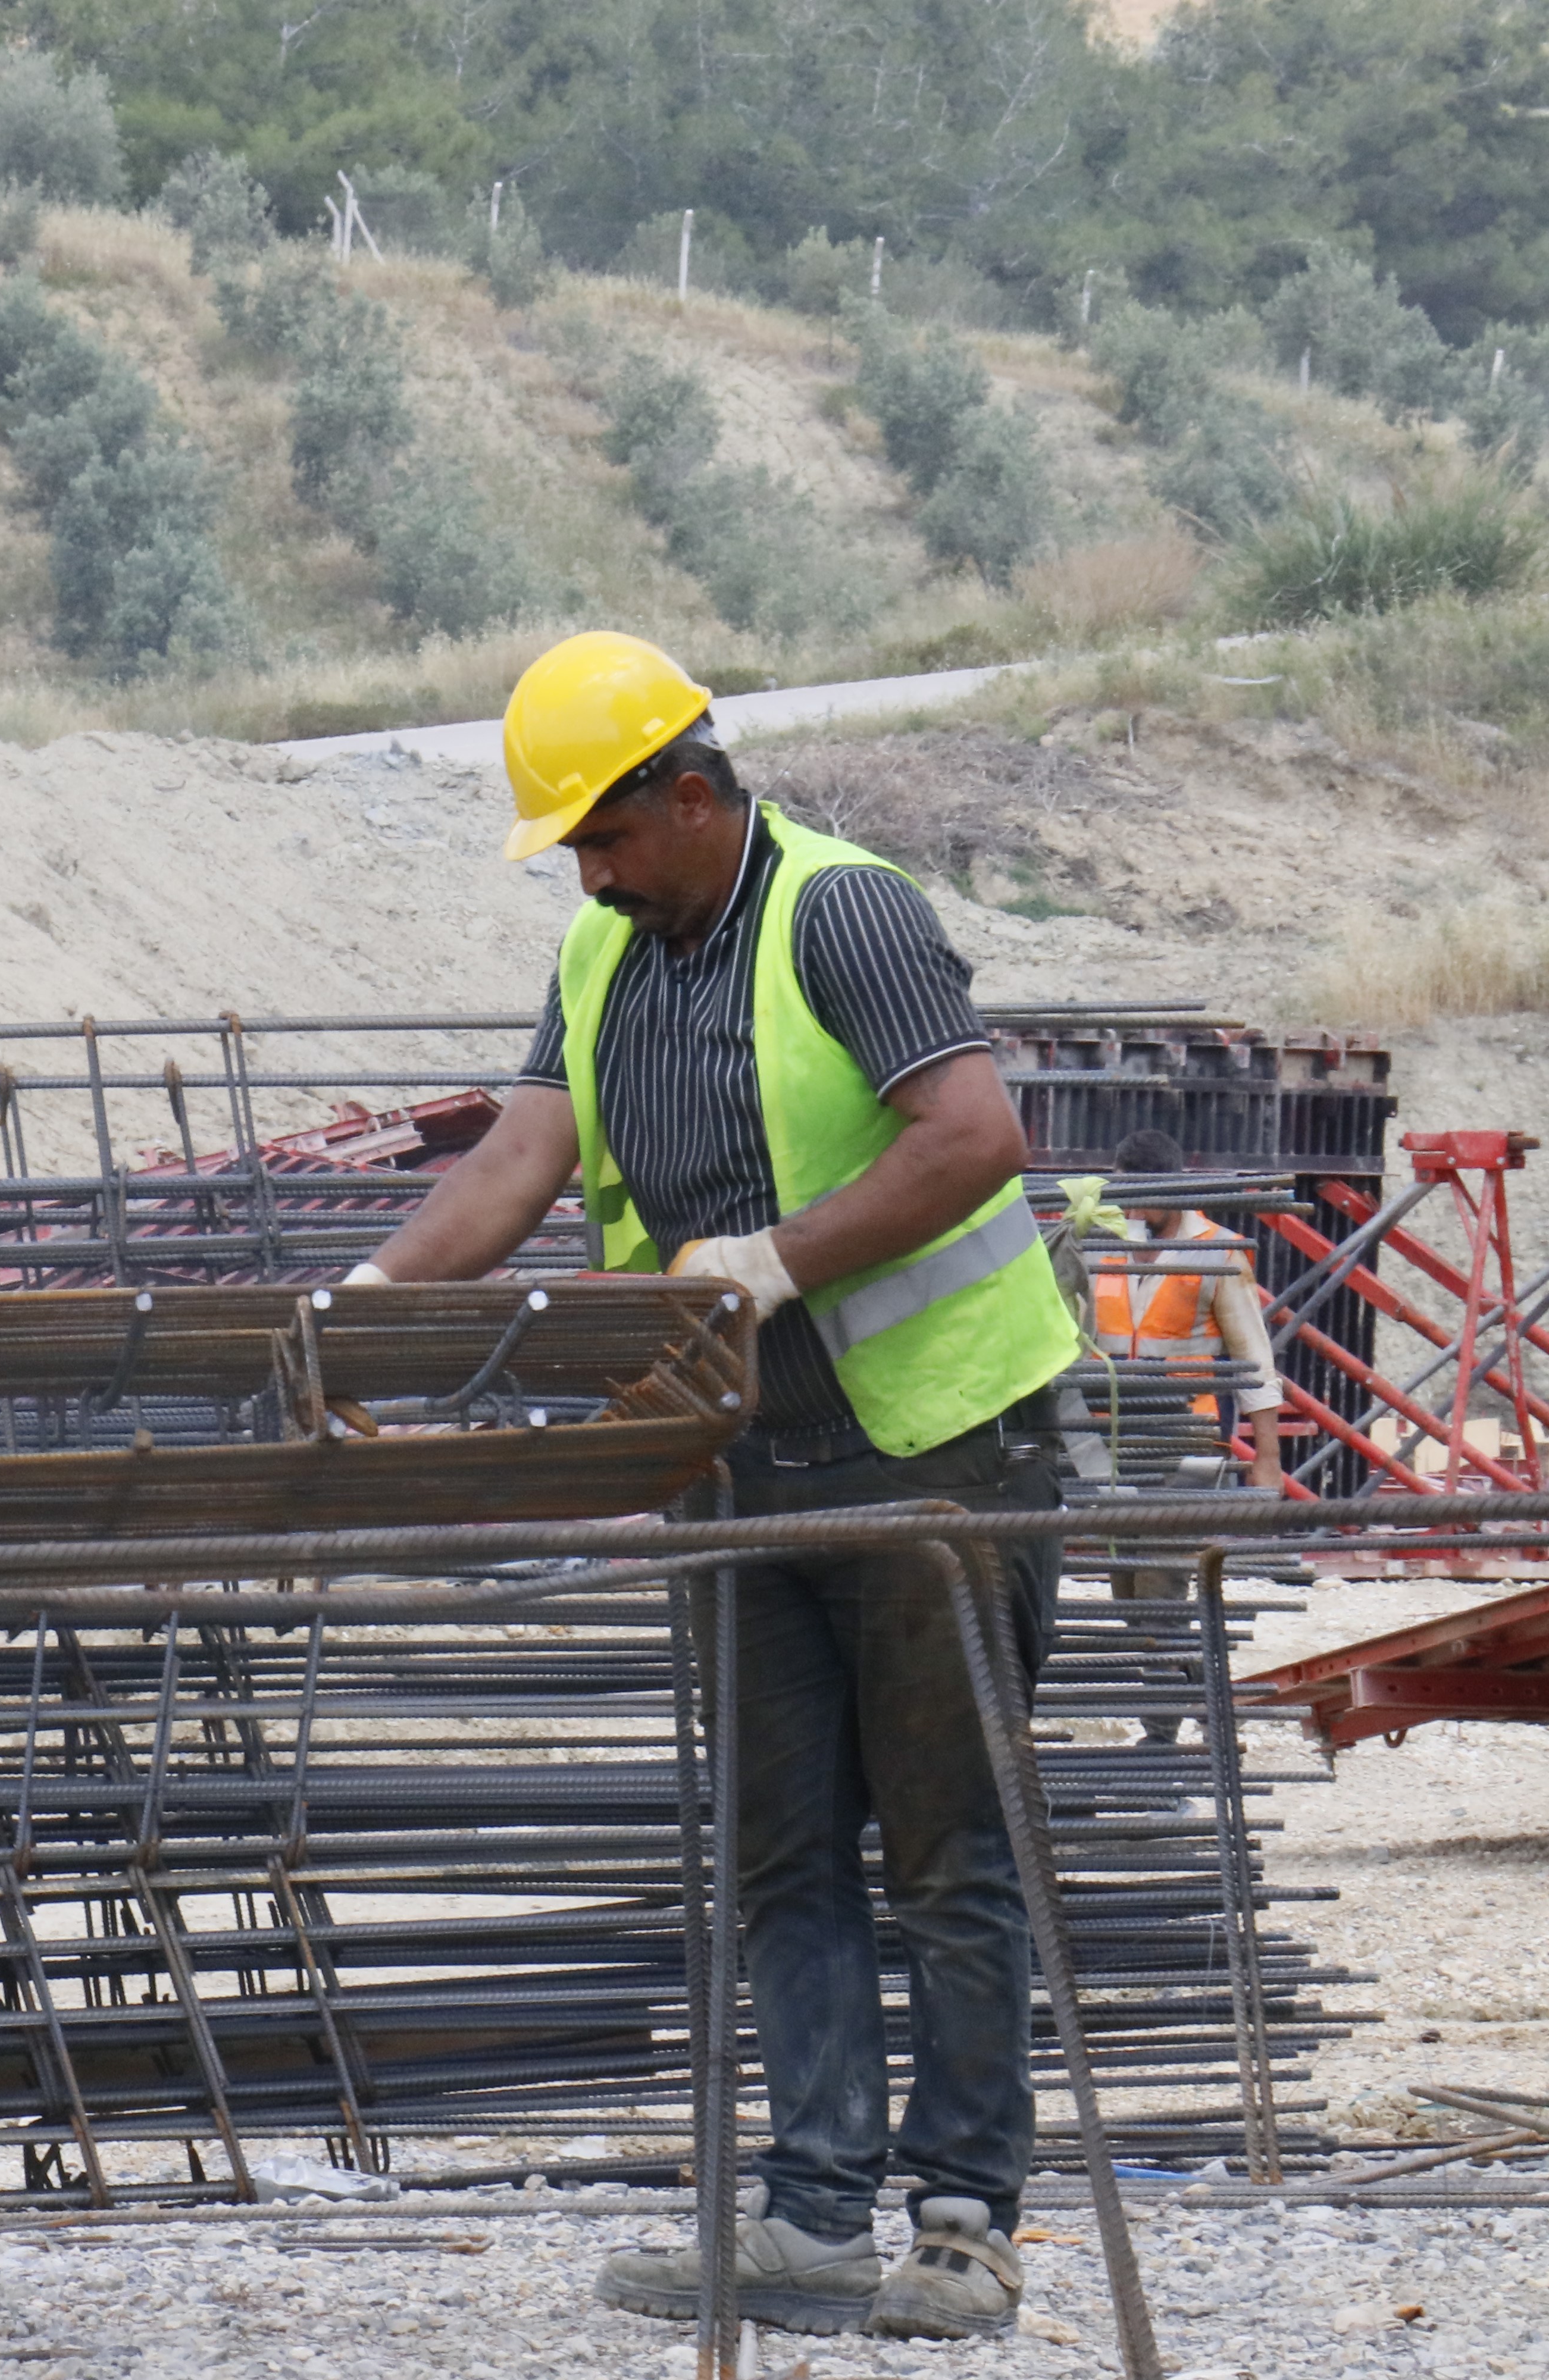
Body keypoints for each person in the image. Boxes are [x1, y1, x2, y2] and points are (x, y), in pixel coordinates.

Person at [350, 631, 1078, 2343]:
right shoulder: (607, 957)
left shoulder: (847, 913)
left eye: (605, 839)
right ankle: (812, 2222)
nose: (589, 877)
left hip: (935, 1457)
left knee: (950, 1852)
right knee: (786, 1857)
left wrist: (774, 1260)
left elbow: (972, 1136)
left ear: (693, 797)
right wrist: (370, 1309)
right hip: (737, 1465)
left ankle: (965, 2223)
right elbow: (522, 1159)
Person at [1079, 1125, 1286, 1742]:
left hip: (1188, 1439)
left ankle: (1161, 1741)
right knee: (1130, 1596)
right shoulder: (1100, 1245)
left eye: (1145, 1198)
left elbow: (1254, 1358)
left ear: (1174, 1190)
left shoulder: (1218, 1251)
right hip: (1113, 1441)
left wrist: (1267, 1458)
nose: (1134, 1211)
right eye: (1126, 1196)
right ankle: (1206, 1693)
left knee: (1162, 1589)